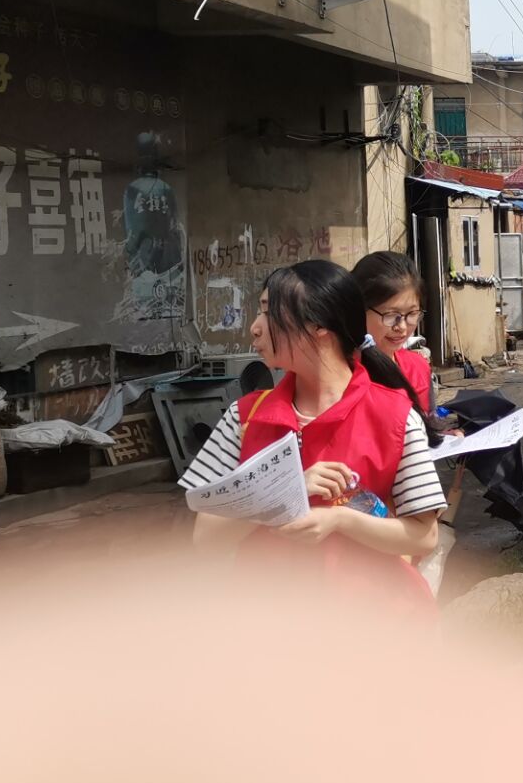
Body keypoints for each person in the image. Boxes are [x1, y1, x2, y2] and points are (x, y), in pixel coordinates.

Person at [182, 261, 447, 614]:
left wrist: (340, 520)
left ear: (319, 325)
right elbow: (204, 537)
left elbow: (424, 536)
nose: (255, 328)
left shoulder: (396, 418)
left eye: (268, 313)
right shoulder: (243, 417)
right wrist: (283, 490)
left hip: (372, 624)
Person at [352, 250, 434, 414]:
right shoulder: (342, 375)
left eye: (412, 314)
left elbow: (429, 420)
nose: (401, 327)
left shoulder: (418, 368)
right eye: (391, 315)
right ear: (359, 310)